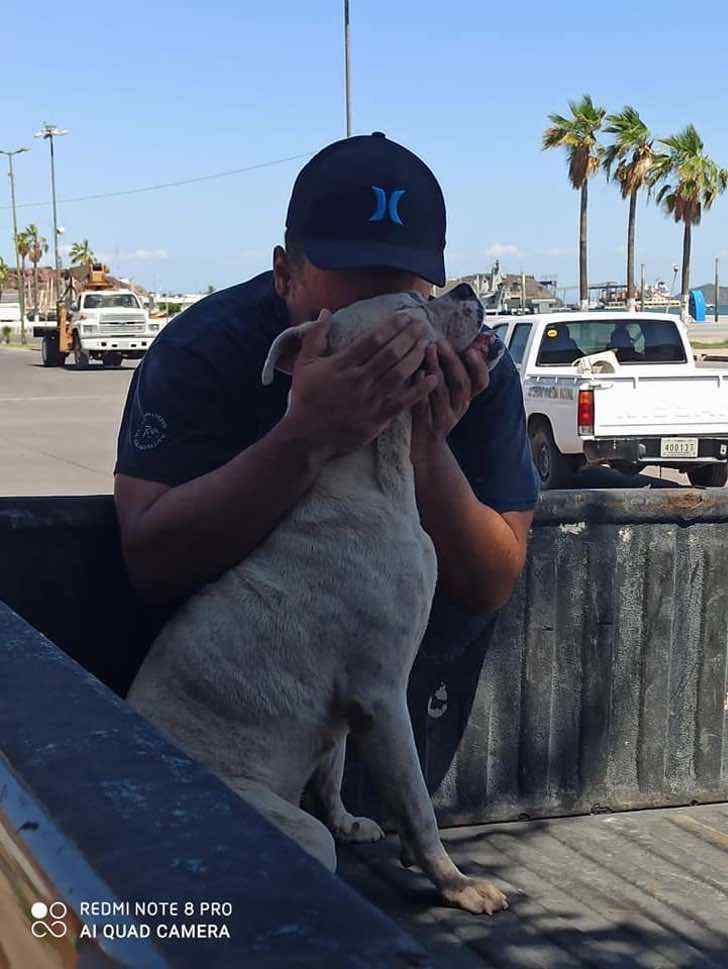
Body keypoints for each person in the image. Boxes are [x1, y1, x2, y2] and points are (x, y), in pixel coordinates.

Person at [114, 132, 539, 657]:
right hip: (234, 693)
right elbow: (150, 562)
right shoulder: (205, 349)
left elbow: (489, 585)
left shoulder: (470, 364)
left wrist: (423, 451)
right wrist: (306, 438)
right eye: (353, 283)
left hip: (411, 686)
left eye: (404, 291)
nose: (386, 317)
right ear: (285, 275)